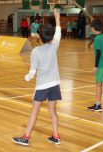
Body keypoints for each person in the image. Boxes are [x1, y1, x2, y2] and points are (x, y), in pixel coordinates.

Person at [12, 9, 62, 146]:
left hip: (42, 86)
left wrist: (27, 78)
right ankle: (56, 135)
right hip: (55, 84)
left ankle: (26, 137)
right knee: (53, 111)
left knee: (34, 111)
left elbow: (32, 73)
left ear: (39, 36)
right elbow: (59, 32)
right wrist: (57, 18)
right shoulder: (54, 46)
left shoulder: (36, 51)